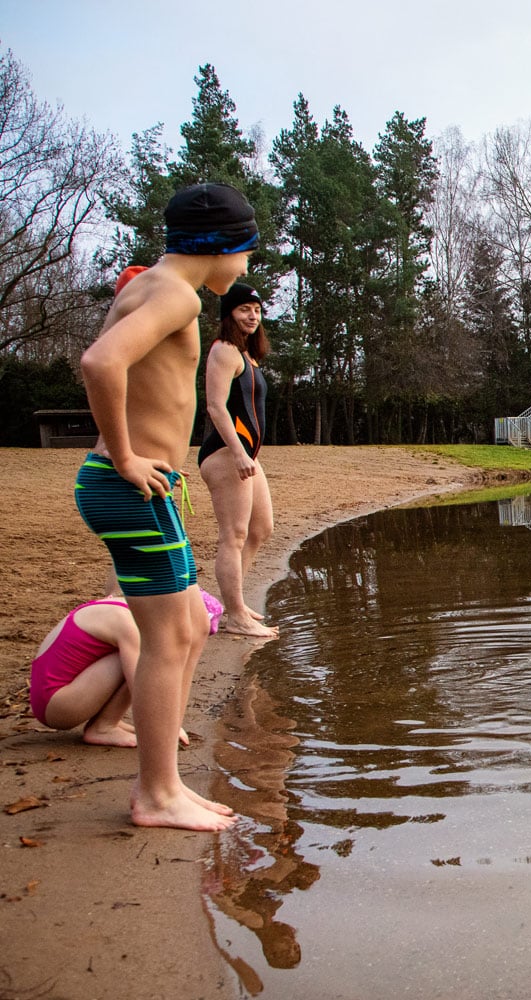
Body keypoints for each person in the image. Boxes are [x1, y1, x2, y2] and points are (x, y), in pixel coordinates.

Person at [74, 181, 257, 831]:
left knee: (186, 626)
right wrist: (124, 457)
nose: (244, 272)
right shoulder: (176, 294)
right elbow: (101, 363)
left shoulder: (148, 284)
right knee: (169, 634)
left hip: (137, 487)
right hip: (127, 485)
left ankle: (167, 784)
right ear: (221, 245)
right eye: (245, 255)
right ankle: (156, 793)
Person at [29, 591, 224, 747]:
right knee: (151, 660)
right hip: (58, 706)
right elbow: (144, 687)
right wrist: (168, 729)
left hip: (56, 694)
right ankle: (103, 727)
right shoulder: (129, 625)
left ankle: (106, 721)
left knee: (146, 655)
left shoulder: (125, 606)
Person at [198, 281, 277, 638]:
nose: (252, 316)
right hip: (225, 453)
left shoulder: (247, 355)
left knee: (261, 529)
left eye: (257, 311)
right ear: (229, 312)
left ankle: (236, 603)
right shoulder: (224, 351)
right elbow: (215, 405)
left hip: (245, 455)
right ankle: (234, 616)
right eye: (245, 309)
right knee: (234, 534)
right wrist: (237, 451)